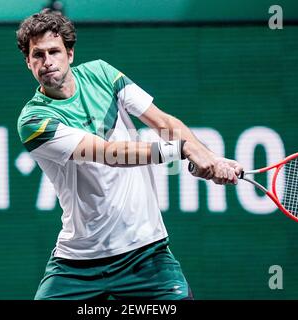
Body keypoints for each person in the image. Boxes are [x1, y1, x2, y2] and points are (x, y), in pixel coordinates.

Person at [16, 9, 242, 300]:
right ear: (28, 62)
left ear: (70, 54)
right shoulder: (33, 120)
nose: (47, 62)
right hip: (78, 264)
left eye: (54, 52)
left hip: (146, 253)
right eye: (38, 55)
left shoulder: (102, 74)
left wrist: (206, 156)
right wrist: (184, 150)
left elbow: (163, 123)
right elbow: (109, 154)